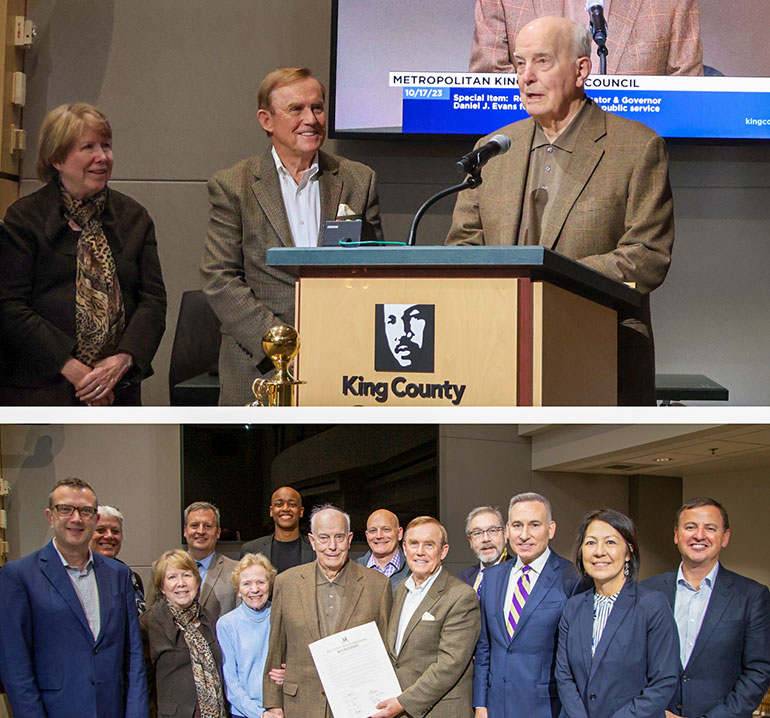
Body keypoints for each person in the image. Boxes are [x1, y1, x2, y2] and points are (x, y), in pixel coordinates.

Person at [447, 16, 674, 406]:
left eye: (542, 62)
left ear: (582, 69)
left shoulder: (637, 148)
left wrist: (551, 281)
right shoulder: (494, 149)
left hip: (597, 353)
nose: (526, 77)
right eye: (519, 64)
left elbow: (646, 257)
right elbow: (462, 248)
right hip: (498, 358)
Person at [201, 67, 384, 405]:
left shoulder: (359, 180)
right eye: (296, 109)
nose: (311, 119)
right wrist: (280, 344)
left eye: (317, 107)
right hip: (259, 366)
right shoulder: (233, 185)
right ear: (266, 120)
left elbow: (373, 270)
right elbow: (219, 277)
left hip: (342, 363)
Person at [0, 102, 166, 406]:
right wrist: (74, 369)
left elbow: (152, 302)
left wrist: (121, 362)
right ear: (57, 158)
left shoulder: (133, 218)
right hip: (43, 389)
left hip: (117, 388)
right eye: (88, 147)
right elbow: (10, 306)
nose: (102, 157)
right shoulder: (24, 219)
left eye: (106, 146)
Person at [0, 478, 148, 717]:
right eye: (65, 509)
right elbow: (15, 666)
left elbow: (133, 658)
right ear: (50, 516)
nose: (76, 518)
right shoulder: (19, 576)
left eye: (85, 511)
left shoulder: (119, 574)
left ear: (95, 518)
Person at [642, 498, 770, 718]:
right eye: (690, 527)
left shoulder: (751, 595)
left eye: (710, 528)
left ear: (725, 537)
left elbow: (758, 670)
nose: (699, 535)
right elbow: (631, 661)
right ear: (676, 535)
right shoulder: (647, 591)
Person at [262, 504, 392, 718]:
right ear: (312, 541)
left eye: (339, 537)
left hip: (358, 707)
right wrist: (273, 704)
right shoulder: (286, 583)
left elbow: (385, 651)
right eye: (324, 538)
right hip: (300, 705)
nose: (332, 546)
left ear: (349, 539)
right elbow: (276, 648)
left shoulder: (377, 585)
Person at [555, 509, 679, 717]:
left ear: (629, 552)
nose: (599, 552)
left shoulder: (652, 605)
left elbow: (663, 681)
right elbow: (564, 674)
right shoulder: (574, 606)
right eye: (591, 543)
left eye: (610, 542)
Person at [473, 492, 585, 718]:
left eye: (534, 525)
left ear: (551, 529)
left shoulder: (572, 578)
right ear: (507, 530)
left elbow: (575, 661)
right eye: (517, 525)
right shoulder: (493, 576)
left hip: (545, 708)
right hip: (495, 707)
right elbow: (485, 648)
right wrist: (480, 704)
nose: (524, 535)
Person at [373, 516, 481, 718]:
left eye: (429, 545)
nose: (420, 552)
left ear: (443, 551)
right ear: (404, 549)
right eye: (414, 544)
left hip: (439, 711)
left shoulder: (461, 596)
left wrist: (402, 702)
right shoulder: (400, 591)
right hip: (399, 708)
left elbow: (450, 664)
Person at [469, 0, 703, 76]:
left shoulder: (671, 3)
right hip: (532, 158)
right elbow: (490, 80)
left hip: (629, 164)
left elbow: (686, 94)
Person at [140, 550, 227, 718]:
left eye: (187, 575)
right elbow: (142, 687)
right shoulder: (148, 624)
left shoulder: (209, 618)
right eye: (172, 577)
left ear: (197, 581)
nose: (181, 583)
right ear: (161, 587)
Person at [216, 553, 280, 718]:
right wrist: (259, 714)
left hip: (280, 709)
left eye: (261, 582)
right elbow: (230, 682)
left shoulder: (282, 616)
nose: (255, 589)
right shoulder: (226, 624)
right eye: (247, 583)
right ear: (238, 590)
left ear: (270, 585)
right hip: (243, 713)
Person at [183, 501, 237, 620]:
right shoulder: (164, 570)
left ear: (218, 532)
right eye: (194, 525)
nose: (201, 531)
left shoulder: (237, 571)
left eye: (208, 526)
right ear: (185, 531)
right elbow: (152, 619)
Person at [240, 486, 314, 572]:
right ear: (271, 511)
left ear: (301, 511)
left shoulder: (315, 548)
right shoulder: (251, 549)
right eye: (279, 504)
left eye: (292, 504)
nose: (285, 508)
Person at [90, 504, 147, 614]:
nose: (109, 536)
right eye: (101, 530)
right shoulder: (80, 576)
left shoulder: (131, 577)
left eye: (115, 531)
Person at [456, 505, 510, 595]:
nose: (485, 539)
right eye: (477, 533)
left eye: (492, 531)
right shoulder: (461, 580)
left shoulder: (520, 575)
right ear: (470, 541)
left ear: (505, 535)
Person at [355, 508, 410, 592]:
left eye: (386, 529)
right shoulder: (353, 570)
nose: (379, 535)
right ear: (367, 536)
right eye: (373, 530)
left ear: (399, 533)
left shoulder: (413, 569)